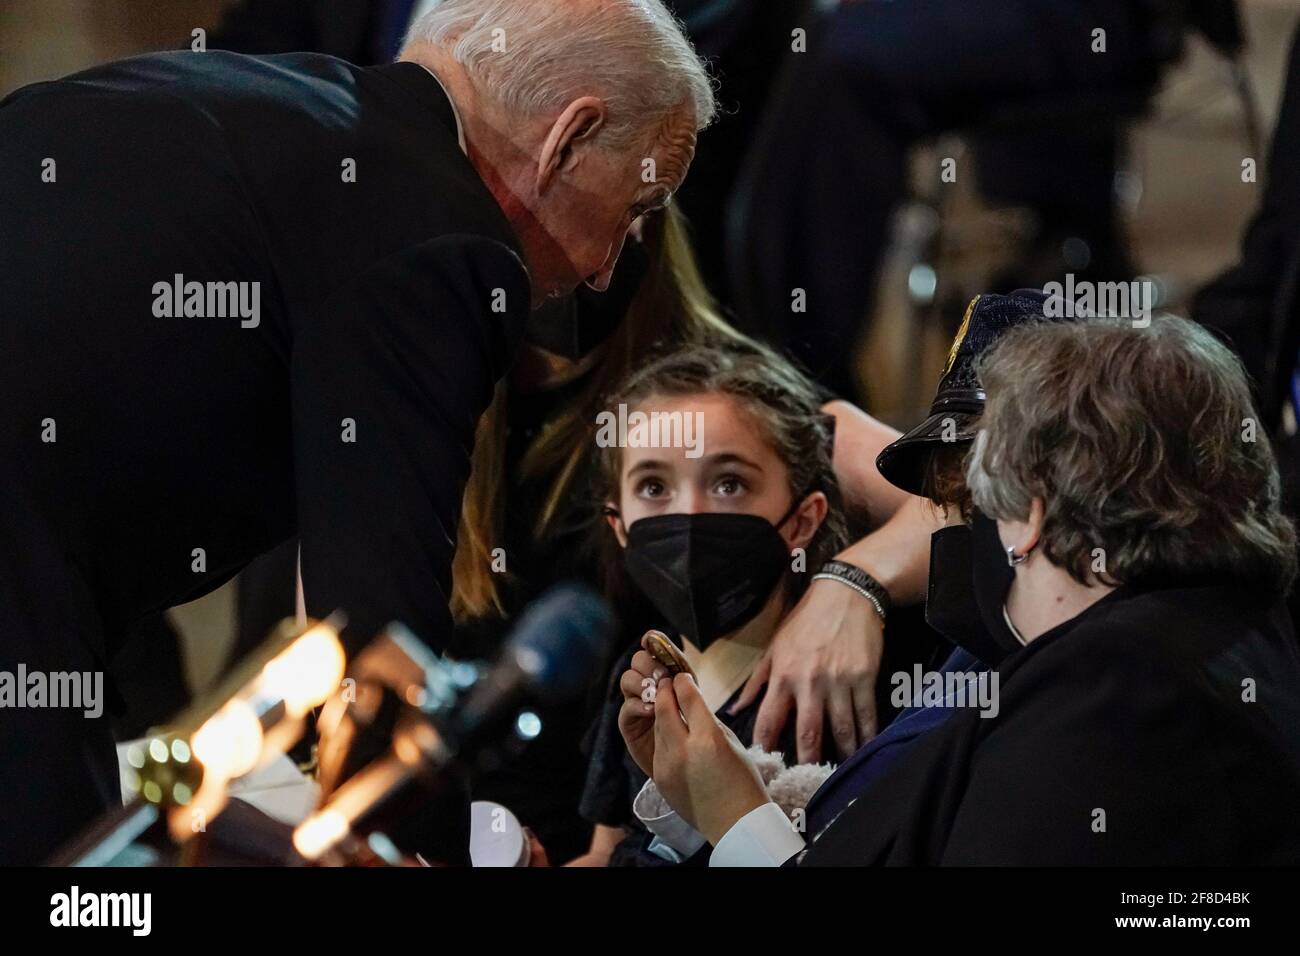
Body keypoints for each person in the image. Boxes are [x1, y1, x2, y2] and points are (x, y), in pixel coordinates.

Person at [0, 0, 713, 865]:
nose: (610, 267)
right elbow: (376, 643)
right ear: (569, 136)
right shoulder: (442, 241)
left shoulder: (249, 100)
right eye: (639, 203)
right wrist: (459, 848)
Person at [631, 314, 1300, 864]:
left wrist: (741, 819)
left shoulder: (1116, 684)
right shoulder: (1219, 635)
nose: (955, 536)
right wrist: (707, 809)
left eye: (971, 504)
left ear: (1030, 513)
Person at [577, 340, 847, 865]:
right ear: (620, 527)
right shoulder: (634, 680)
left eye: (729, 483)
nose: (692, 514)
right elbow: (605, 852)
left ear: (802, 521)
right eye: (654, 486)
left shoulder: (833, 681)